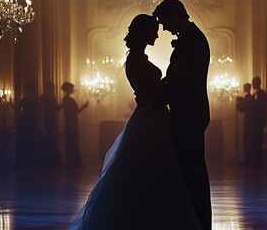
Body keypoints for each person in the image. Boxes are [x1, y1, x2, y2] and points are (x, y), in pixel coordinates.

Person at [66, 14, 201, 229]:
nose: (157, 35)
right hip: (150, 116)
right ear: (144, 33)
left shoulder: (140, 58)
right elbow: (148, 94)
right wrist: (171, 77)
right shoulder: (136, 59)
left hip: (154, 115)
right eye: (153, 31)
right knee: (150, 166)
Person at [151, 0, 212, 230]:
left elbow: (182, 84)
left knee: (192, 173)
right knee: (190, 172)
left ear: (176, 14)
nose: (164, 29)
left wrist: (154, 99)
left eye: (165, 22)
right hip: (189, 113)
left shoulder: (192, 41)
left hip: (189, 115)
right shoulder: (190, 38)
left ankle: (198, 221)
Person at [10, 82, 44, 167]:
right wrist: (10, 104)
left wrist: (40, 123)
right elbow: (17, 109)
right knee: (23, 139)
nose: (26, 91)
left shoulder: (35, 100)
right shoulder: (23, 99)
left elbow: (40, 111)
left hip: (31, 120)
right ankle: (24, 161)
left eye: (27, 90)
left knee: (31, 140)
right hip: (23, 120)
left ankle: (31, 161)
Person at [61, 82, 88, 168]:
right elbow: (72, 113)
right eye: (72, 88)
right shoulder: (67, 99)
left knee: (73, 142)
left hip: (72, 123)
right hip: (70, 124)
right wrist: (83, 107)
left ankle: (74, 162)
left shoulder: (67, 99)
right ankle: (73, 163)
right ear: (68, 89)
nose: (73, 90)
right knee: (72, 142)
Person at [41, 82, 62, 167]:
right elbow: (41, 110)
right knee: (48, 141)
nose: (52, 89)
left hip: (53, 121)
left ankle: (54, 161)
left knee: (53, 140)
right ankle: (48, 162)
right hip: (47, 121)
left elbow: (56, 108)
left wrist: (63, 105)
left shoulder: (53, 97)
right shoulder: (43, 98)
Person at [250, 77, 267, 167]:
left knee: (258, 141)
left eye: (253, 83)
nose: (252, 85)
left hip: (258, 122)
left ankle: (257, 160)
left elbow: (261, 108)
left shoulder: (262, 94)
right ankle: (255, 159)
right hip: (253, 123)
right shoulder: (254, 95)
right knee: (253, 141)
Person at [236, 83, 254, 166]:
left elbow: (243, 110)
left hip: (250, 122)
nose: (244, 89)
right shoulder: (248, 98)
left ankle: (249, 160)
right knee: (246, 141)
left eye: (245, 88)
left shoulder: (250, 98)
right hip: (248, 122)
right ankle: (248, 159)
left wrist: (239, 104)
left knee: (248, 141)